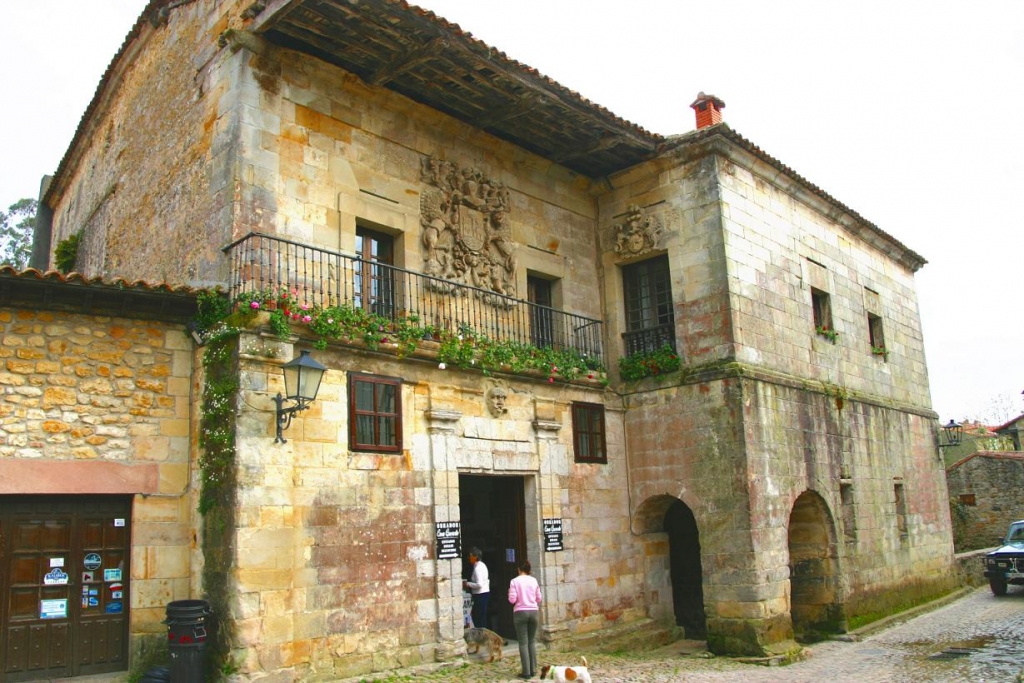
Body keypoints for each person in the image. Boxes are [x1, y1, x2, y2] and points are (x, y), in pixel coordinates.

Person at [508, 559, 542, 680]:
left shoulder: (514, 581)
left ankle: (526, 671)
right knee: (531, 641)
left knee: (523, 642)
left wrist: (510, 594)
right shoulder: (534, 580)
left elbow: (512, 600)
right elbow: (539, 598)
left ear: (519, 569)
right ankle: (533, 669)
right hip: (533, 611)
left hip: (520, 612)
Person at [463, 547, 490, 630]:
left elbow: (479, 584)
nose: (469, 558)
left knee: (479, 617)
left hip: (480, 594)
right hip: (484, 593)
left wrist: (467, 584)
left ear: (475, 557)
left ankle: (481, 635)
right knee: (481, 616)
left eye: (470, 556)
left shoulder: (478, 568)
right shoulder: (482, 565)